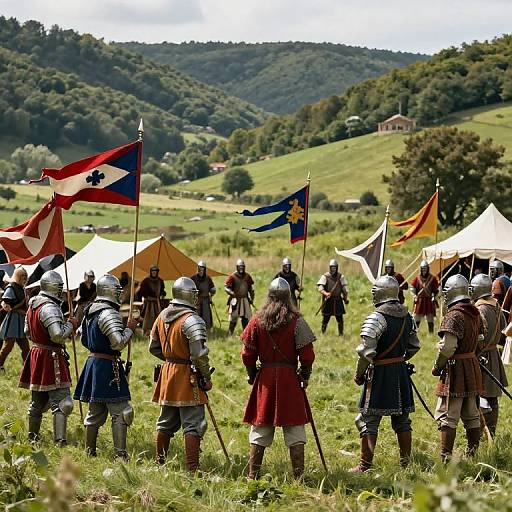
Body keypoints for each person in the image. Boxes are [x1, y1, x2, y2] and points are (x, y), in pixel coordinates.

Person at [241, 277, 316, 479]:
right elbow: (307, 355)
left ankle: (252, 477)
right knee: (295, 430)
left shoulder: (257, 320)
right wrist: (304, 375)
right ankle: (298, 478)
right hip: (289, 380)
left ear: (270, 296)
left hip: (265, 380)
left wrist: (252, 374)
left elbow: (247, 354)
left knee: (260, 428)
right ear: (288, 297)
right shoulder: (297, 321)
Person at [351, 275, 420, 472]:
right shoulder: (407, 316)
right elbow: (414, 347)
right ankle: (406, 463)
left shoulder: (377, 317)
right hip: (400, 372)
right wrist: (399, 359)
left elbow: (366, 352)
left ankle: (365, 465)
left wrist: (359, 374)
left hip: (380, 373)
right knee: (402, 419)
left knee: (368, 420)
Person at [150, 277, 212, 471]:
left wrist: (171, 359)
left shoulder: (162, 316)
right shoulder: (191, 319)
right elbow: (199, 355)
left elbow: (153, 347)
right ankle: (192, 469)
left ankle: (159, 463)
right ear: (189, 295)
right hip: (188, 376)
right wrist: (206, 377)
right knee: (194, 424)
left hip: (168, 374)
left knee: (165, 422)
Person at [74, 275, 137, 459]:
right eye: (118, 291)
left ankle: (89, 452)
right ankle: (120, 454)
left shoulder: (89, 310)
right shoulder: (109, 312)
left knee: (95, 411)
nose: (120, 294)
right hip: (108, 366)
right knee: (122, 412)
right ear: (111, 292)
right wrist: (130, 328)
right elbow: (118, 343)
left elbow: (84, 340)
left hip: (94, 363)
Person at [19, 271, 77, 444]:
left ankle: (33, 438)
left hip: (37, 354)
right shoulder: (49, 307)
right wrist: (70, 325)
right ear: (54, 288)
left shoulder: (33, 305)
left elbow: (27, 332)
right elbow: (58, 335)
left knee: (37, 402)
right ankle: (60, 441)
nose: (61, 291)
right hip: (51, 357)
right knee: (62, 401)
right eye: (60, 288)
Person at [431, 274, 485, 461]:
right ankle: (473, 453)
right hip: (471, 365)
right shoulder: (475, 312)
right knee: (471, 414)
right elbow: (480, 340)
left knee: (449, 414)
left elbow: (448, 348)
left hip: (456, 369)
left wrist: (437, 366)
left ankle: (445, 457)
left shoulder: (454, 315)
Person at [470, 273, 508, 437]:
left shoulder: (479, 310)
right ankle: (490, 433)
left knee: (479, 398)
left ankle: (480, 433)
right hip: (493, 355)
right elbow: (503, 333)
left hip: (481, 356)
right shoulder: (497, 307)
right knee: (492, 397)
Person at [0, 267, 29, 370]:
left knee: (25, 347)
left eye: (25, 276)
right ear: (17, 276)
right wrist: (17, 310)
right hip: (12, 321)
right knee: (8, 346)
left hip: (21, 322)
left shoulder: (23, 289)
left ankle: (27, 368)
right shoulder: (11, 288)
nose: (24, 278)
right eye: (22, 276)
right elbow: (6, 305)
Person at [317, 259, 348, 336]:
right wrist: (325, 293)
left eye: (335, 267)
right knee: (325, 319)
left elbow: (345, 289)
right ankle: (323, 334)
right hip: (328, 301)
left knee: (340, 319)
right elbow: (320, 287)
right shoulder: (325, 276)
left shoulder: (341, 277)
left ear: (337, 268)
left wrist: (345, 298)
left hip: (338, 300)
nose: (333, 269)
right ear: (330, 268)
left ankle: (341, 334)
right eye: (332, 267)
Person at [225, 259, 255, 335]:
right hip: (235, 300)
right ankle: (230, 334)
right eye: (240, 267)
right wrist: (232, 293)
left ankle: (245, 334)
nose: (241, 268)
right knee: (233, 319)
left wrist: (251, 298)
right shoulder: (233, 276)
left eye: (242, 267)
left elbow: (250, 288)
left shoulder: (247, 276)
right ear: (237, 267)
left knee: (246, 318)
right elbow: (226, 287)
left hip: (245, 299)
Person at [410, 260, 439, 333]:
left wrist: (435, 297)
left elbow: (437, 290)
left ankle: (431, 333)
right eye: (422, 269)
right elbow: (412, 288)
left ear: (428, 269)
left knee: (430, 317)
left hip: (429, 300)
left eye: (425, 269)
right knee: (417, 317)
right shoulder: (417, 278)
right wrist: (414, 296)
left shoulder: (432, 278)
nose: (424, 270)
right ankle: (415, 332)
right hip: (420, 301)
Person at [139, 265, 166, 335]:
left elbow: (162, 291)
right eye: (153, 271)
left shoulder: (160, 281)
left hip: (157, 303)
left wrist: (162, 294)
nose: (154, 273)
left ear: (157, 272)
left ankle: (157, 331)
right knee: (148, 318)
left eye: (155, 271)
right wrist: (146, 297)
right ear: (150, 272)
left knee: (158, 317)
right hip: (148, 303)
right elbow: (141, 292)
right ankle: (146, 332)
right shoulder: (146, 281)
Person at [190, 261, 216, 330]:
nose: (200, 270)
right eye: (199, 268)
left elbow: (212, 288)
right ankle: (196, 329)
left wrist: (212, 292)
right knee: (196, 316)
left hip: (205, 300)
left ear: (204, 269)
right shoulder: (193, 278)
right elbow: (189, 289)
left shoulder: (208, 279)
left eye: (202, 268)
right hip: (196, 301)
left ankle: (206, 330)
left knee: (206, 316)